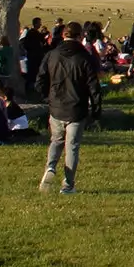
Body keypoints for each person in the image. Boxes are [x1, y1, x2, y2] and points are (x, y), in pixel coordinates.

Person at [37, 20, 97, 195]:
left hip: (56, 105)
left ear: (63, 35)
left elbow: (40, 79)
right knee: (72, 147)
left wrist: (47, 97)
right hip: (77, 107)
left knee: (56, 140)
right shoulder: (84, 57)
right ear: (80, 36)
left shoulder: (51, 55)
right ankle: (68, 185)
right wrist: (96, 108)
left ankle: (50, 168)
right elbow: (94, 86)